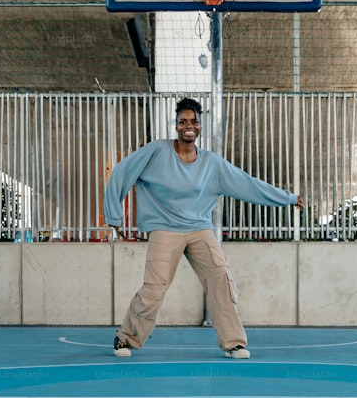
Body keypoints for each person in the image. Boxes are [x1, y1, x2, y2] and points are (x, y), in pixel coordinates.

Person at [104, 97, 304, 359]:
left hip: (199, 228)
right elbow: (122, 173)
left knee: (221, 279)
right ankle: (126, 338)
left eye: (194, 121)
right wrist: (114, 215)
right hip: (165, 228)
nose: (189, 125)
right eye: (183, 121)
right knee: (155, 287)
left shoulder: (212, 163)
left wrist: (287, 198)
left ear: (200, 126)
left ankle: (234, 342)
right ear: (176, 126)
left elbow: (248, 184)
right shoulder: (156, 152)